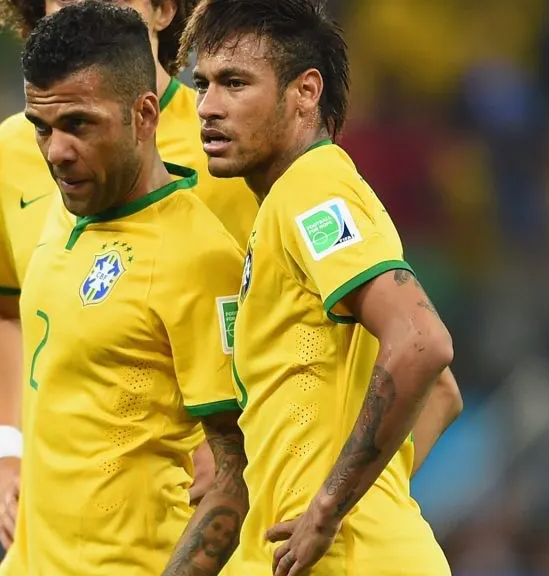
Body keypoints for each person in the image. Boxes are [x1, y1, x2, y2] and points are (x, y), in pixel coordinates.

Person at [0, 0, 257, 552]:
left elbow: (297, 332)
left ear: (164, 10)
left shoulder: (235, 148)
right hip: (47, 545)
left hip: (171, 536)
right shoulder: (16, 149)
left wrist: (227, 446)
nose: (83, 7)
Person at [181, 0, 460, 574]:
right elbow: (441, 394)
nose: (207, 107)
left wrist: (332, 507)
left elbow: (421, 342)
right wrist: (363, 500)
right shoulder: (284, 204)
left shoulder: (312, 189)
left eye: (235, 83)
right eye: (202, 84)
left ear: (305, 92)